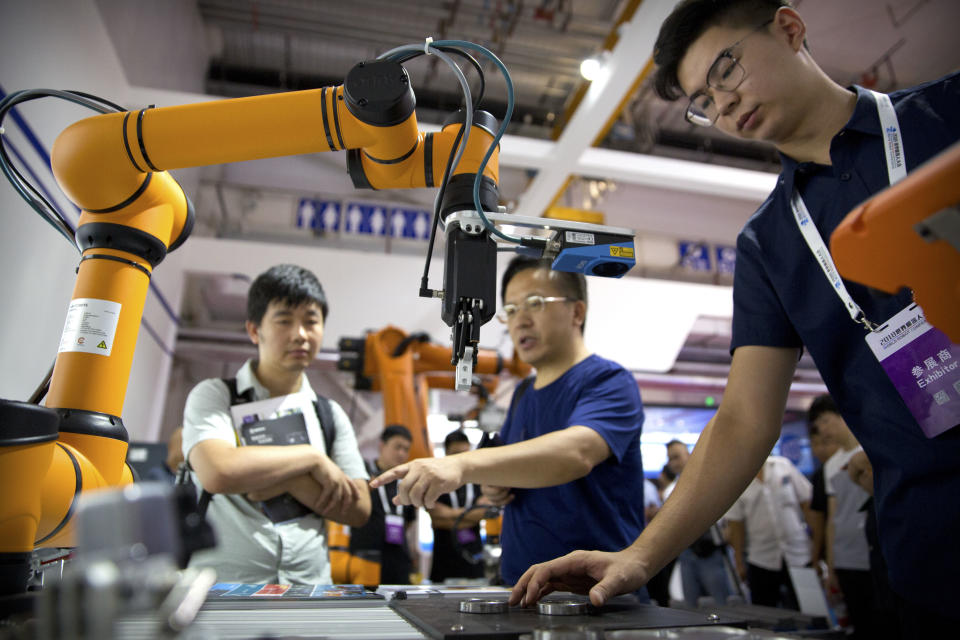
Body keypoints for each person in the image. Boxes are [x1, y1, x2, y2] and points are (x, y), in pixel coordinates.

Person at [509, 2, 960, 635]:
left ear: (789, 27)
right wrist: (641, 554)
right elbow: (746, 419)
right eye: (702, 100)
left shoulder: (945, 116)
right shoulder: (768, 245)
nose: (722, 105)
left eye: (727, 70)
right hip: (930, 554)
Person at [372, 256, 646, 588]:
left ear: (577, 312)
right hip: (518, 588)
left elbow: (576, 454)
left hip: (595, 594)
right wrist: (494, 484)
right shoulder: (523, 394)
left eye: (535, 303)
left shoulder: (608, 381)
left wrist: (464, 465)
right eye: (512, 310)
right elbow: (522, 466)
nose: (520, 321)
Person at [181, 264, 370, 584]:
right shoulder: (216, 395)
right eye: (284, 320)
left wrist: (285, 481)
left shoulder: (330, 414)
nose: (300, 334)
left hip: (308, 588)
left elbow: (359, 507)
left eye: (311, 322)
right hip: (223, 588)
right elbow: (218, 471)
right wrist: (310, 459)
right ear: (255, 330)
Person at [808, 395, 881, 639]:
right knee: (858, 623)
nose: (823, 429)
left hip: (875, 552)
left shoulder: (872, 449)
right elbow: (832, 518)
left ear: (843, 415)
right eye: (818, 425)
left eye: (826, 421)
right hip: (846, 557)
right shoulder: (831, 466)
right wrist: (832, 564)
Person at [725, 455, 812, 609]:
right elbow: (736, 525)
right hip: (761, 557)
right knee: (765, 611)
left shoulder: (783, 465)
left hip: (798, 552)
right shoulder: (736, 477)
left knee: (810, 606)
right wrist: (739, 562)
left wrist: (816, 545)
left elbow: (806, 501)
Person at [348, 425, 419, 585]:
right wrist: (366, 487)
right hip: (365, 556)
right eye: (397, 447)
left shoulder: (406, 482)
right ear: (382, 446)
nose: (401, 453)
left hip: (398, 559)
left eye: (406, 449)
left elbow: (408, 521)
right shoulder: (362, 473)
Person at [664, 440, 731, 607]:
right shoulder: (669, 492)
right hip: (686, 553)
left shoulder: (709, 481)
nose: (674, 462)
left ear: (689, 455)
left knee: (721, 603)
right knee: (690, 606)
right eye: (671, 459)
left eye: (677, 457)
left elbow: (727, 520)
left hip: (710, 552)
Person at [427, 430, 494, 583]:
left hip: (474, 563)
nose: (460, 459)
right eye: (455, 453)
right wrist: (470, 515)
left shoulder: (478, 480)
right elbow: (437, 518)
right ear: (445, 454)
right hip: (443, 563)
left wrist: (450, 515)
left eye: (464, 453)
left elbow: (483, 512)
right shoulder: (435, 482)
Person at [806, 418, 839, 578]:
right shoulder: (819, 476)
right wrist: (816, 556)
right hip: (834, 553)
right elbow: (817, 521)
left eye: (826, 442)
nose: (820, 449)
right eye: (814, 444)